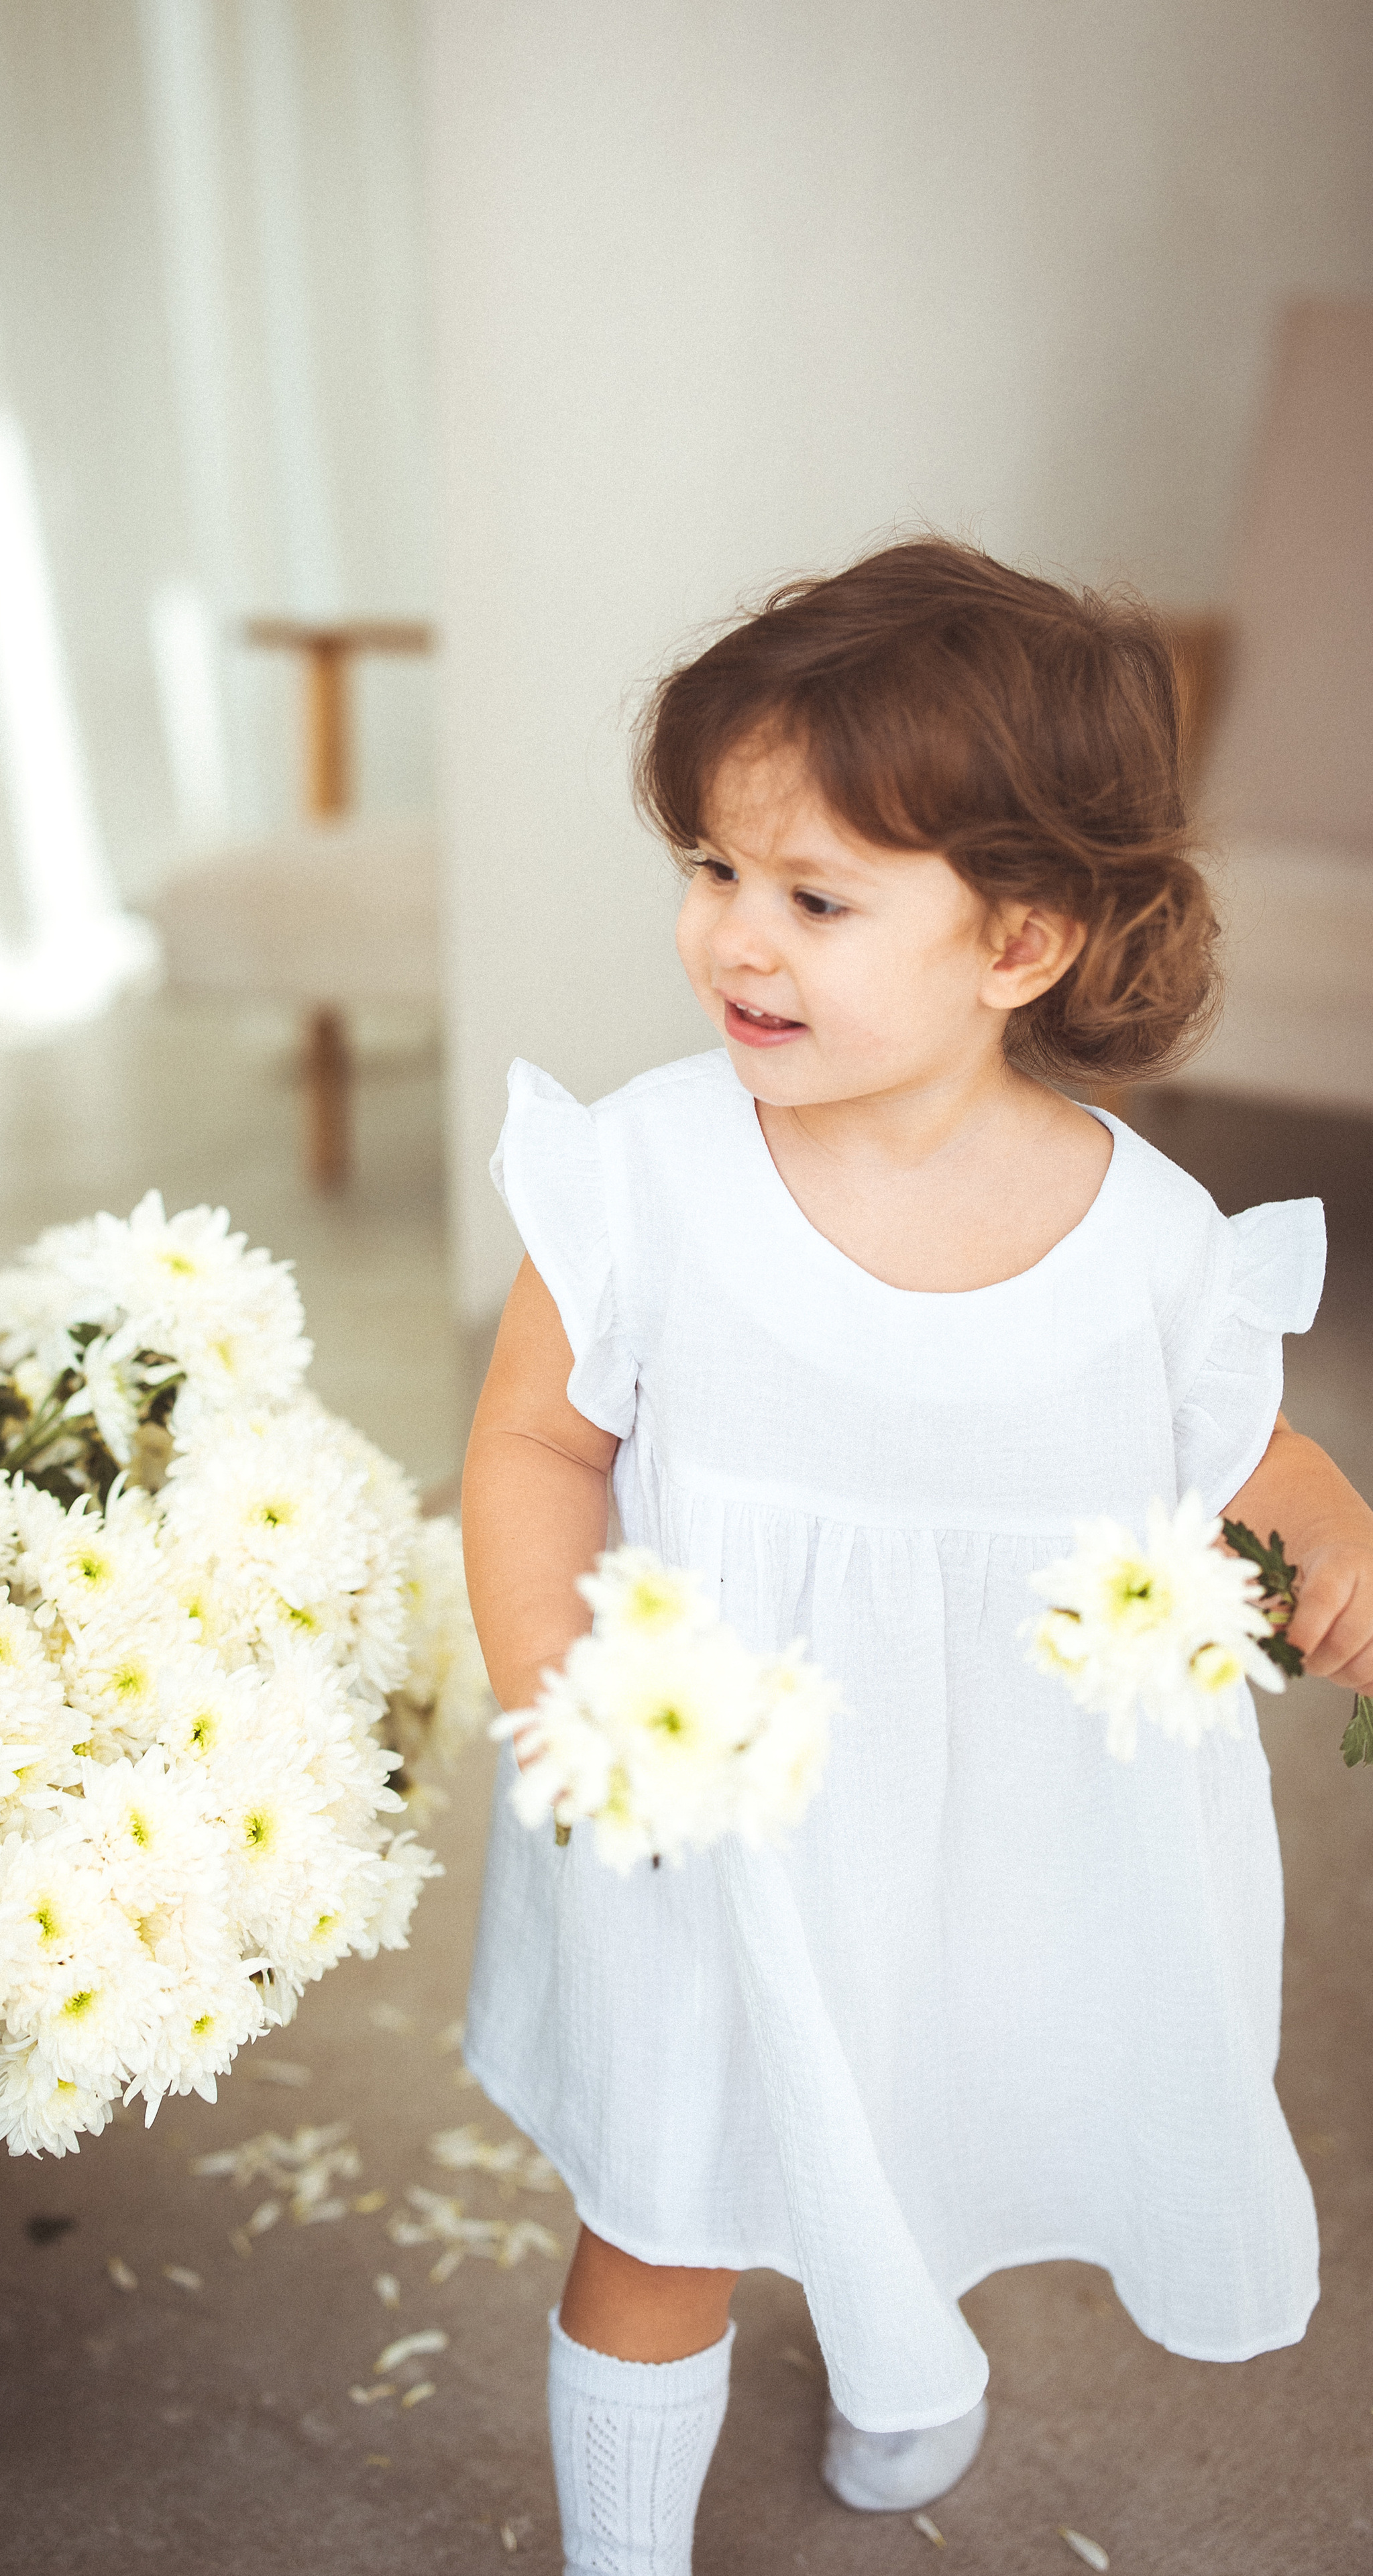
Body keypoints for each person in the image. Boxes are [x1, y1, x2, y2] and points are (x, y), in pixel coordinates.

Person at [457, 540, 1373, 2575]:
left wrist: (1331, 1532)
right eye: (710, 868)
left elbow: (1244, 1454)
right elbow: (533, 1439)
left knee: (923, 2115)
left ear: (1021, 940)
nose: (733, 942)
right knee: (667, 2198)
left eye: (814, 898)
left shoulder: (1144, 1236)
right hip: (697, 1810)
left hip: (991, 1824)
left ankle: (906, 2356)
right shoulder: (648, 1182)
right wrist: (556, 1700)